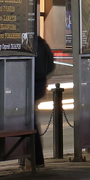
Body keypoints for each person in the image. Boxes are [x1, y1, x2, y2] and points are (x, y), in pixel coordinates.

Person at [33, 35, 55, 166]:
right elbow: (51, 64)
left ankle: (36, 159)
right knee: (31, 119)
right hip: (39, 85)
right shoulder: (40, 41)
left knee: (28, 121)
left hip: (30, 85)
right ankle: (36, 159)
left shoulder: (26, 42)